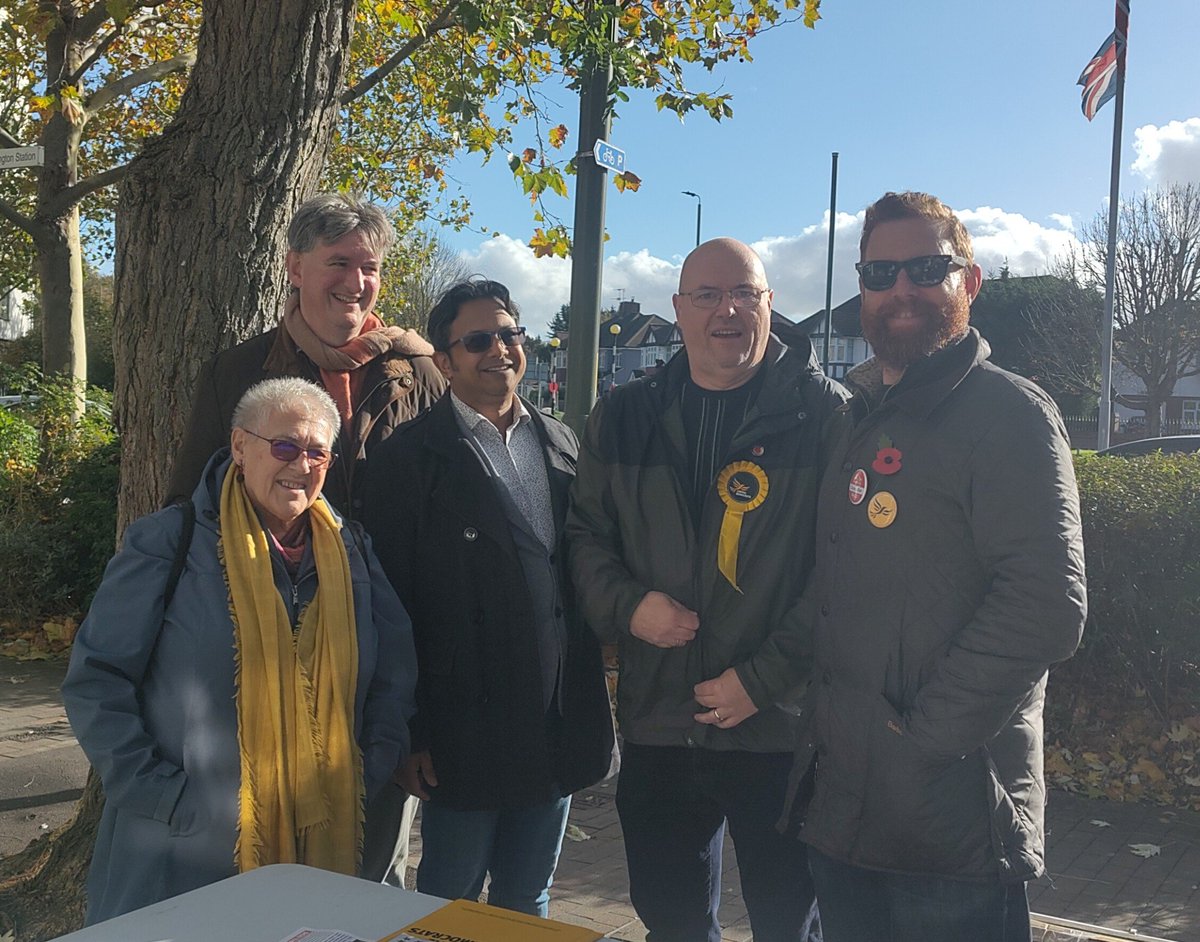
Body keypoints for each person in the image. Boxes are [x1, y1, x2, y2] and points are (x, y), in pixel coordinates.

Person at [792, 192, 1087, 942]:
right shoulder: (855, 417)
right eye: (880, 272)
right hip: (842, 817)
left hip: (948, 827)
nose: (901, 291)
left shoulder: (1009, 413)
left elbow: (1045, 606)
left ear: (971, 281)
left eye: (927, 268)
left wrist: (918, 743)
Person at [567, 238, 846, 942]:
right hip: (661, 718)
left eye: (744, 293)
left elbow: (845, 573)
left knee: (790, 920)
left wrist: (763, 679)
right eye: (707, 296)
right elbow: (584, 539)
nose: (727, 310)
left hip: (779, 726)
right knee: (672, 921)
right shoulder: (621, 415)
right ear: (679, 310)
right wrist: (631, 609)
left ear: (769, 304)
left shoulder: (828, 417)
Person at [63, 377, 417, 924]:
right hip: (185, 850)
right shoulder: (168, 541)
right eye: (284, 446)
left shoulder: (350, 550)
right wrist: (162, 797)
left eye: (318, 451)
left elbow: (394, 670)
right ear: (238, 447)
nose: (301, 464)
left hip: (332, 836)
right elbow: (98, 679)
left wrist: (372, 766)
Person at [361, 278, 615, 917]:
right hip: (460, 732)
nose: (499, 350)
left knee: (527, 896)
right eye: (478, 340)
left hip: (553, 721)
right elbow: (390, 608)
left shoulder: (562, 441)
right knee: (450, 902)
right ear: (444, 362)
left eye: (509, 334)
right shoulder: (406, 460)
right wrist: (410, 731)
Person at [166, 192, 445, 518]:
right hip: (275, 568)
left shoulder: (421, 374)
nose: (356, 283)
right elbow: (191, 506)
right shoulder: (235, 373)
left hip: (394, 571)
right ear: (296, 268)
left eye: (370, 268)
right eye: (339, 263)